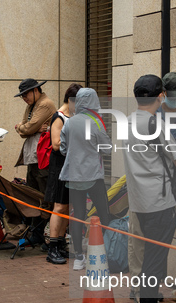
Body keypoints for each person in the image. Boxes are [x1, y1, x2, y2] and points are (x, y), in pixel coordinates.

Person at [123, 74, 176, 303]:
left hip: (139, 201)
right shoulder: (156, 124)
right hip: (160, 201)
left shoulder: (128, 122)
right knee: (156, 257)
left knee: (149, 256)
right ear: (160, 96)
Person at [59, 88, 112, 271]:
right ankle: (99, 252)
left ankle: (79, 258)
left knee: (77, 216)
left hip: (73, 176)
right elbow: (107, 148)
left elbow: (63, 149)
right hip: (94, 175)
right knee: (104, 214)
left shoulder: (70, 122)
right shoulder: (96, 122)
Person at [14, 79, 57, 244]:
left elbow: (27, 128)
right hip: (33, 156)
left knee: (43, 195)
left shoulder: (45, 104)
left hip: (43, 157)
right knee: (33, 193)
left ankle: (43, 232)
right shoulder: (31, 105)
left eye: (26, 94)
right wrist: (25, 128)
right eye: (22, 96)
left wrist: (24, 128)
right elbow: (25, 128)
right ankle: (36, 231)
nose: (24, 98)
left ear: (36, 90)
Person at [45, 83, 82, 265]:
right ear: (70, 100)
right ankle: (52, 247)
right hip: (60, 166)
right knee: (59, 207)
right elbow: (56, 144)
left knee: (67, 206)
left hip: (72, 166)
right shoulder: (59, 116)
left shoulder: (74, 116)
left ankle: (60, 244)